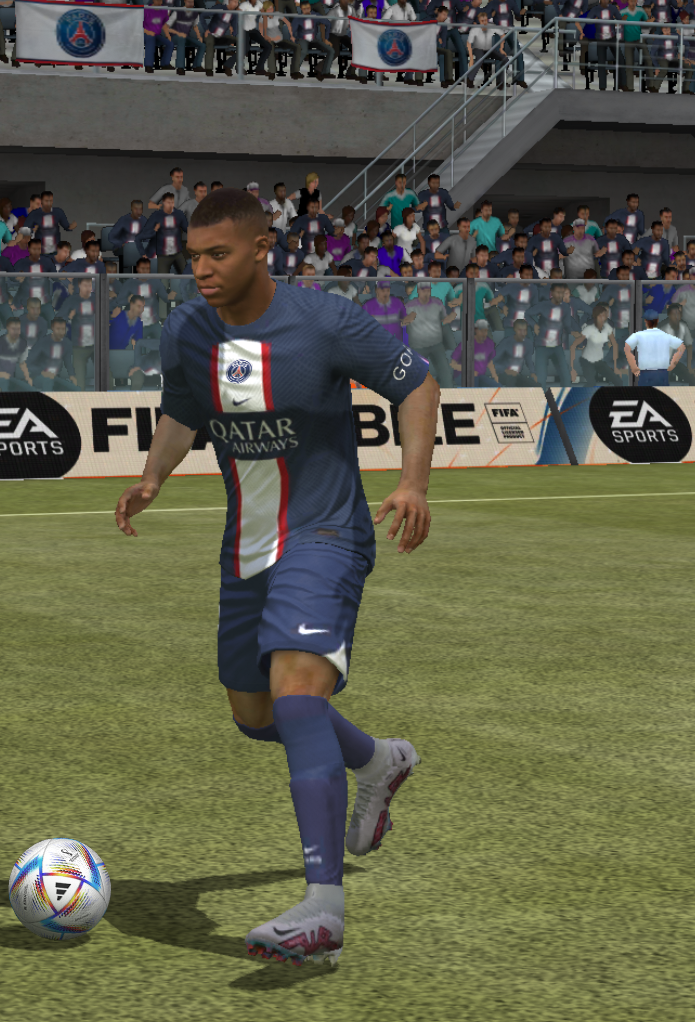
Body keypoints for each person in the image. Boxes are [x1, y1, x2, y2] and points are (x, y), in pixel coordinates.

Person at [112, 189, 438, 969]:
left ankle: (323, 909)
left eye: (218, 254)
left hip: (326, 533)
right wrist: (154, 475)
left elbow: (417, 384)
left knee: (297, 695)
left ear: (263, 248)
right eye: (193, 256)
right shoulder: (188, 330)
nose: (202, 270)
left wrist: (413, 482)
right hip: (246, 549)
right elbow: (183, 409)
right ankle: (377, 760)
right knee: (257, 716)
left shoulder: (324, 322)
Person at [623, 315, 686, 385]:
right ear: (657, 321)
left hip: (645, 372)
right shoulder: (665, 335)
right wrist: (673, 363)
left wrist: (633, 367)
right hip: (662, 373)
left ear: (645, 321)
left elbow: (627, 348)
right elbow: (681, 347)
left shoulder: (639, 335)